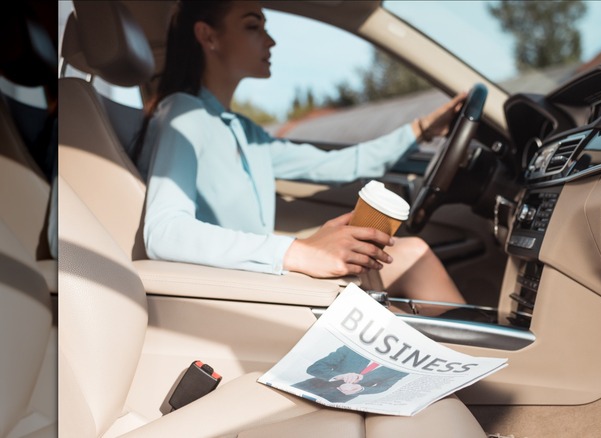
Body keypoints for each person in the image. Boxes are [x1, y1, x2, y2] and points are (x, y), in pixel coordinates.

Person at [135, 1, 466, 306]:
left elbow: (338, 164)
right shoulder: (184, 114)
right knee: (415, 256)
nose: (271, 41)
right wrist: (299, 251)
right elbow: (164, 232)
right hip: (226, 290)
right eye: (253, 26)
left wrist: (423, 128)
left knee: (405, 259)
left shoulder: (245, 131)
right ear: (208, 36)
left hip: (255, 276)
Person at [292, 346, 408, 403]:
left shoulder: (401, 369)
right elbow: (314, 368)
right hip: (310, 387)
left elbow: (384, 387)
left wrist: (361, 388)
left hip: (338, 400)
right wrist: (340, 376)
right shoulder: (352, 349)